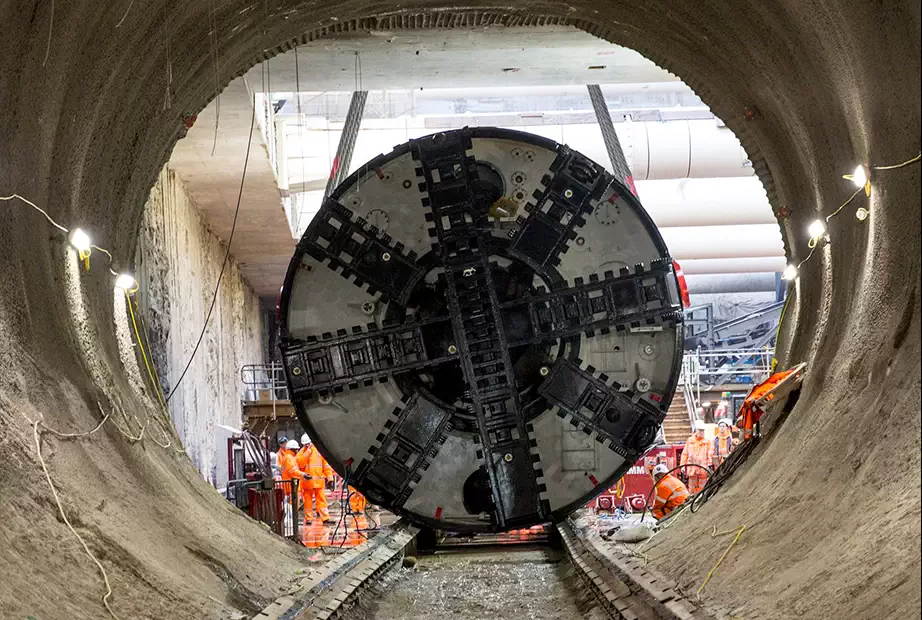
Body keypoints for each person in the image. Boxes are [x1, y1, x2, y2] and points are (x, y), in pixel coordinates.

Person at [296, 434, 335, 523]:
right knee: (308, 502)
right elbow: (300, 464)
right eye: (305, 444)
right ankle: (309, 518)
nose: (306, 445)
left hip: (319, 482)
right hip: (307, 483)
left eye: (308, 443)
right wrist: (307, 453)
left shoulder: (319, 452)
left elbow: (326, 465)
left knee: (321, 501)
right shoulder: (301, 453)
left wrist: (330, 479)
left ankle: (325, 518)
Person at [680, 420, 710, 493]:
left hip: (703, 470)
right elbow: (685, 454)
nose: (702, 432)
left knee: (703, 489)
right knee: (692, 489)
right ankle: (692, 501)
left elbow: (710, 455)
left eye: (703, 431)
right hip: (692, 470)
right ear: (696, 430)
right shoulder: (690, 441)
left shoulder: (707, 442)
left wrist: (709, 466)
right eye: (700, 430)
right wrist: (682, 465)